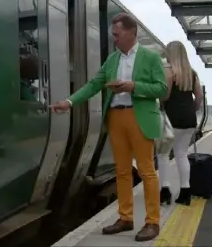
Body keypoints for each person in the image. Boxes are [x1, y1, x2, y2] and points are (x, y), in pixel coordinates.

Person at [50, 13, 167, 241]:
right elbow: (95, 84)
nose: (114, 38)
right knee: (122, 171)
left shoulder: (150, 57)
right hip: (115, 117)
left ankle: (152, 222)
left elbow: (162, 89)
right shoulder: (111, 59)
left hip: (139, 116)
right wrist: (69, 102)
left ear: (131, 33)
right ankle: (125, 218)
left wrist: (133, 86)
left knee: (146, 170)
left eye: (117, 33)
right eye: (113, 34)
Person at [157, 41, 203, 206]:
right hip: (189, 118)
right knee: (181, 155)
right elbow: (199, 98)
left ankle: (165, 191)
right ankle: (185, 192)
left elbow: (165, 95)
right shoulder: (192, 73)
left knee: (162, 155)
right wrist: (193, 109)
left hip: (172, 118)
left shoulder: (168, 71)